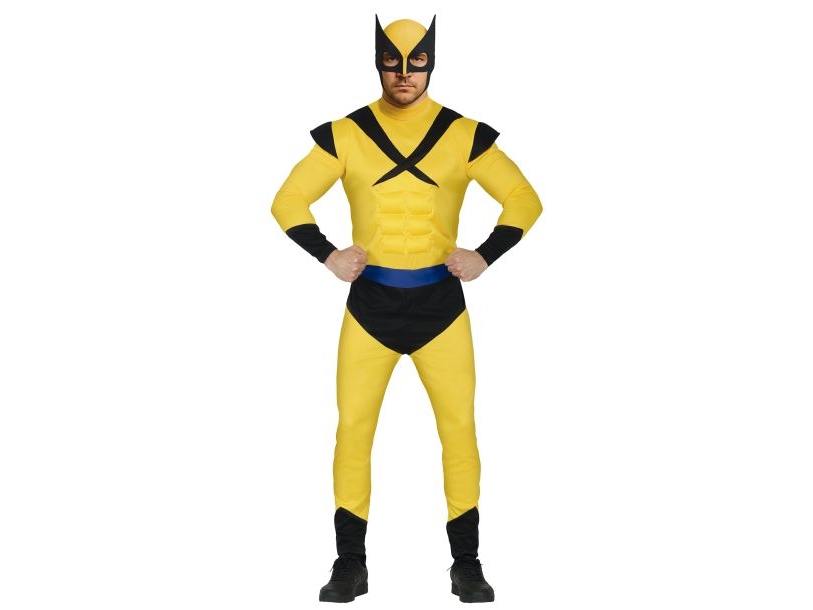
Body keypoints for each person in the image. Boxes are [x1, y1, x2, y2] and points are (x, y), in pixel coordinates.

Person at [271, 15, 542, 604]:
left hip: (441, 305)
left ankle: (466, 564)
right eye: (392, 62)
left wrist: (486, 254)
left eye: (415, 63)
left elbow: (524, 198)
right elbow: (287, 199)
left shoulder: (464, 134)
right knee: (353, 430)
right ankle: (350, 564)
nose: (403, 75)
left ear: (431, 63)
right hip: (369, 304)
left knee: (459, 429)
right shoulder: (346, 133)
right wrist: (327, 254)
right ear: (378, 63)